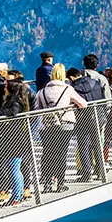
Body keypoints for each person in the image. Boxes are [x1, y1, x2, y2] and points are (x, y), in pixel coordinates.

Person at [34, 63, 87, 193]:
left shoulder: (42, 91)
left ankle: (46, 183)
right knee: (61, 154)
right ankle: (60, 183)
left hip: (46, 126)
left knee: (47, 153)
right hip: (65, 125)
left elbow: (36, 109)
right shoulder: (67, 89)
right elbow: (83, 104)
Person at [0, 71, 33, 206]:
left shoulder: (16, 101)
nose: (4, 85)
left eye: (6, 84)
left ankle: (16, 197)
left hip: (16, 140)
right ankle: (17, 195)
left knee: (14, 167)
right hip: (12, 139)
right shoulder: (15, 98)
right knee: (13, 167)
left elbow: (12, 112)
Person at [68, 68, 104, 183]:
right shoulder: (96, 83)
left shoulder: (73, 89)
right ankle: (100, 171)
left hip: (83, 119)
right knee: (97, 144)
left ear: (72, 77)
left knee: (83, 146)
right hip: (99, 115)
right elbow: (102, 98)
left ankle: (87, 174)